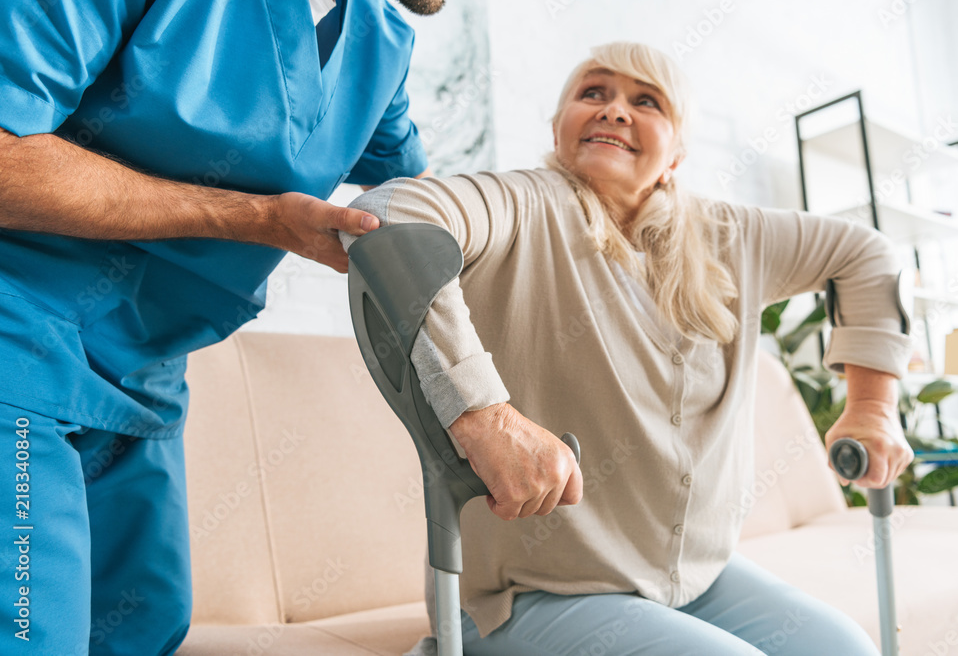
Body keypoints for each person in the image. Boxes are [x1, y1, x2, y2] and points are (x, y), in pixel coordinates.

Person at [342, 42, 915, 655]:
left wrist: (873, 407)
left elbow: (866, 253)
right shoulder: (522, 203)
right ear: (559, 127)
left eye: (646, 102)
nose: (614, 110)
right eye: (593, 94)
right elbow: (387, 216)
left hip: (693, 578)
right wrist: (484, 416)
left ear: (677, 154)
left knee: (848, 648)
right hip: (529, 594)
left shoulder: (730, 235)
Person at [0, 0, 482, 653]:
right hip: (18, 342)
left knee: (142, 629)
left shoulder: (380, 45)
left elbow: (427, 212)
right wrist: (257, 218)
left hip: (147, 373)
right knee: (31, 631)